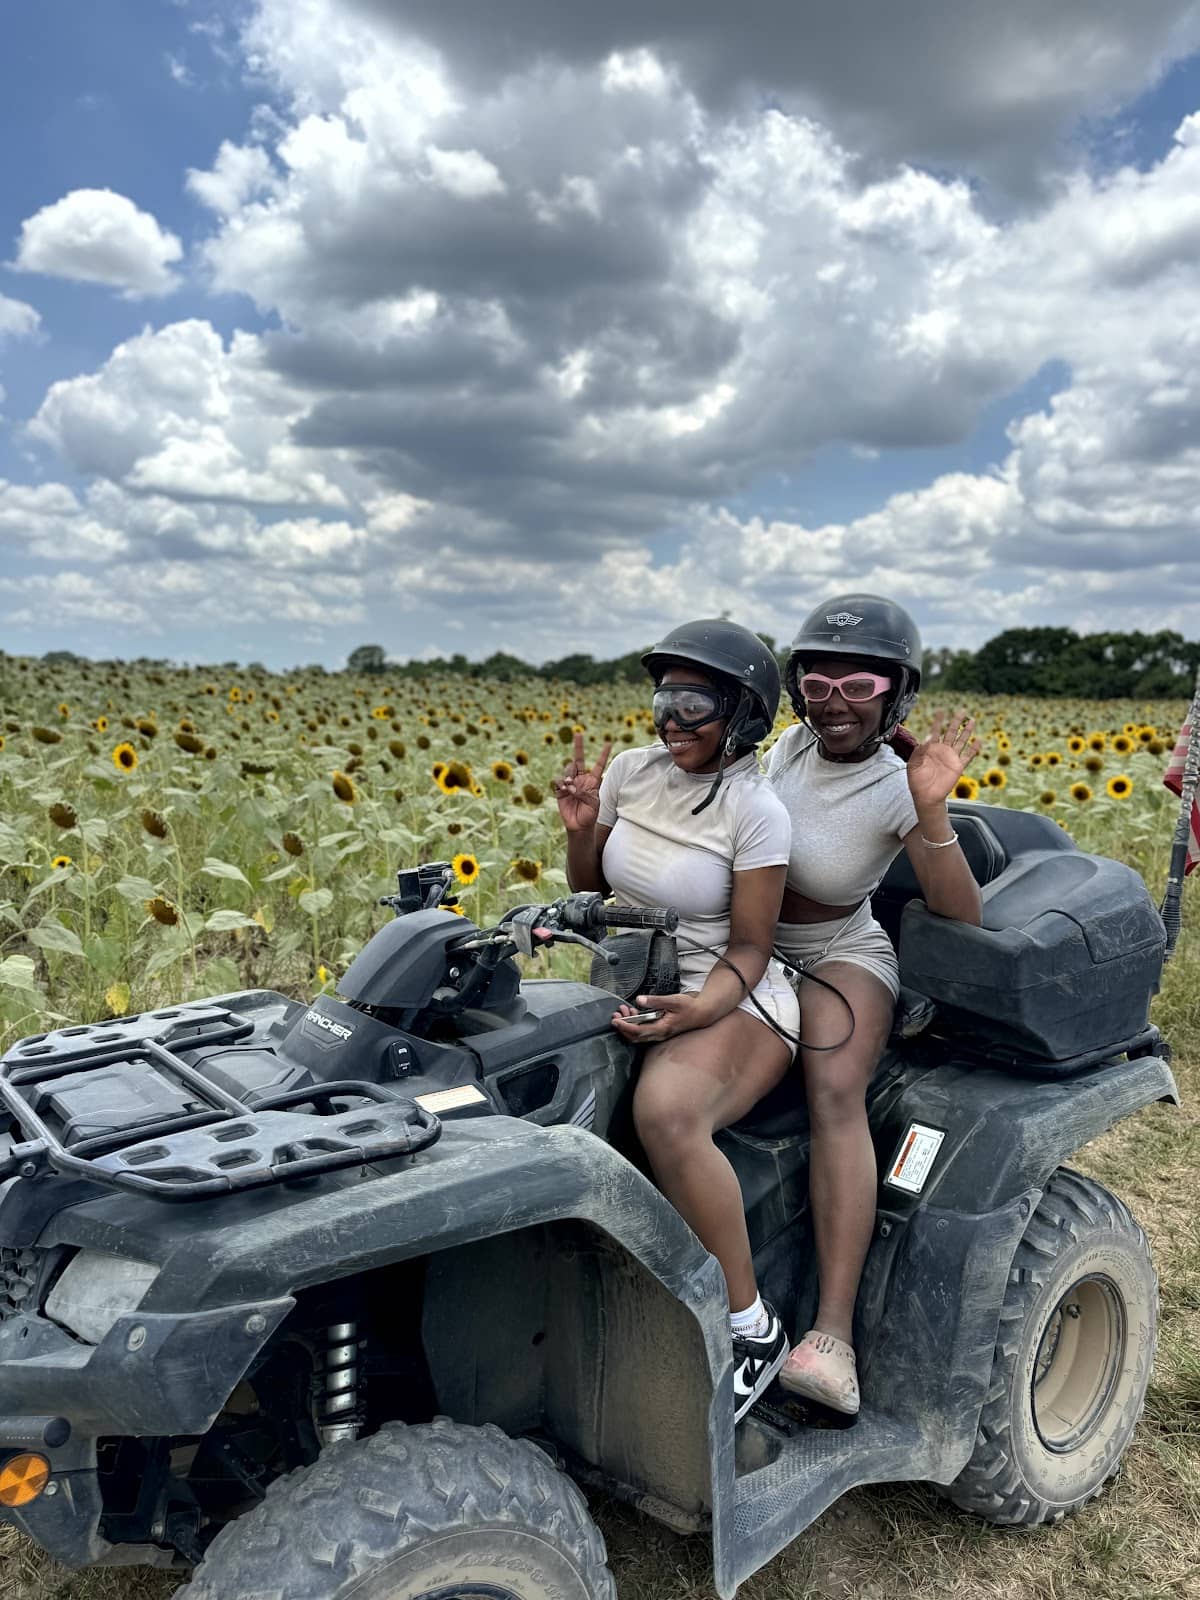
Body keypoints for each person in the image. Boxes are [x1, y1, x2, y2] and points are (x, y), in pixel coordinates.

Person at [555, 619, 799, 1420]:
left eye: (694, 706)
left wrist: (697, 1011)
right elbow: (591, 888)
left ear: (744, 716)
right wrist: (580, 829)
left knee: (664, 1112)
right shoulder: (632, 771)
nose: (672, 721)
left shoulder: (757, 810)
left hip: (733, 995)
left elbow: (753, 948)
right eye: (665, 701)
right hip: (634, 979)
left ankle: (752, 1326)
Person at [765, 593, 982, 1415]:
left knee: (832, 1086)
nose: (835, 704)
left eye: (859, 687)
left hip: (839, 951)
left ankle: (831, 1334)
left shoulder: (899, 785)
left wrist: (931, 807)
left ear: (896, 695)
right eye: (818, 684)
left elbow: (961, 913)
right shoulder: (788, 748)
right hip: (747, 942)